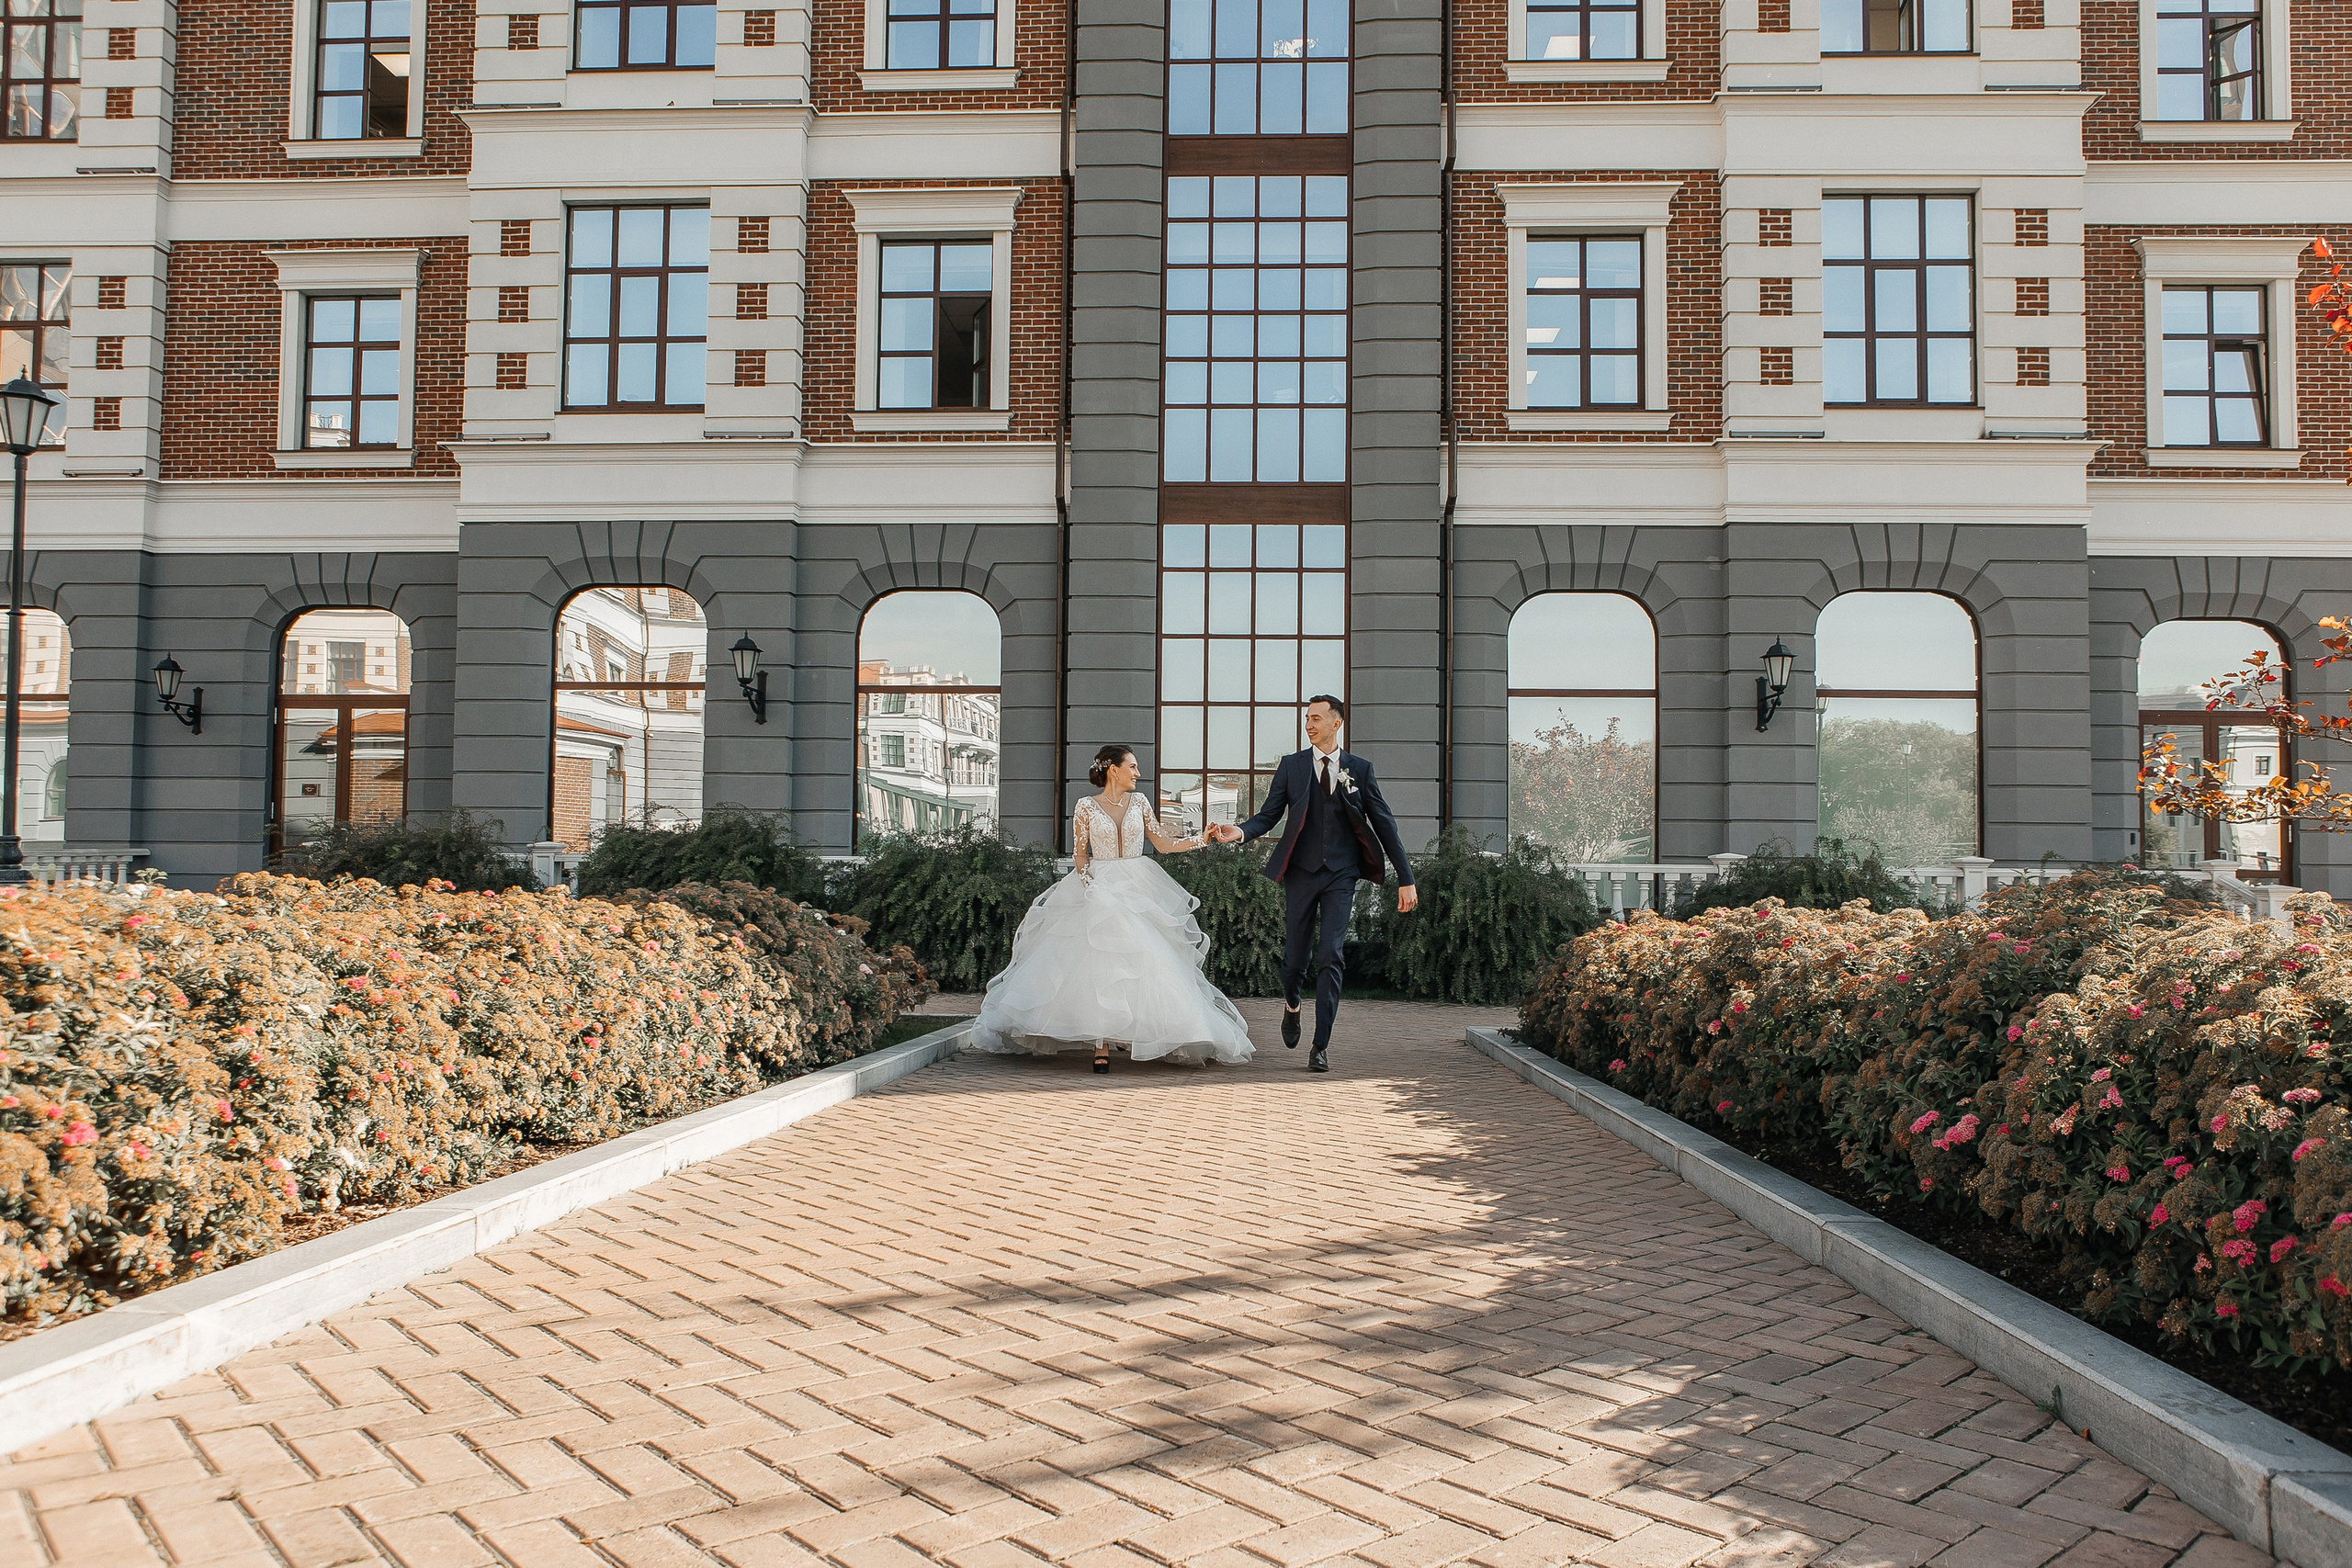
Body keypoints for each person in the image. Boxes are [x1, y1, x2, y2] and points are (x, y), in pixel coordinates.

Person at [970, 744, 1253, 1073]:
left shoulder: (1141, 803)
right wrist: (1090, 885)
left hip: (1138, 884)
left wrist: (1202, 839)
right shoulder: (1086, 807)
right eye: (1132, 767)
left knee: (1145, 959)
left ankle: (1133, 1031)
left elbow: (1163, 843)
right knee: (1096, 961)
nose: (1138, 773)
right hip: (1096, 884)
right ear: (1112, 770)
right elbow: (1079, 853)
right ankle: (1100, 1042)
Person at [1205, 695, 1416, 1073]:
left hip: (1341, 874)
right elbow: (1269, 816)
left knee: (1331, 954)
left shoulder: (1360, 770)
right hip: (1301, 871)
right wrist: (1239, 831)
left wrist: (1406, 878)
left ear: (1337, 723)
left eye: (1316, 718)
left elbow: (1385, 824)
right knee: (1294, 962)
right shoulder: (1293, 766)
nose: (1309, 724)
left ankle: (1320, 1045)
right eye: (1306, 718)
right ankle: (1292, 1006)